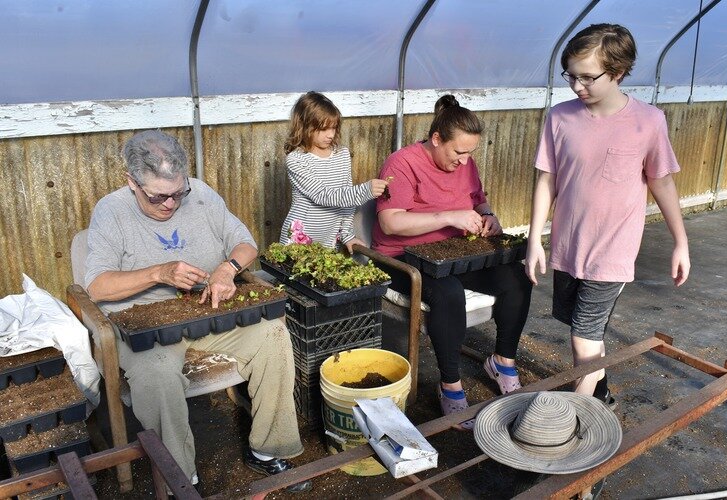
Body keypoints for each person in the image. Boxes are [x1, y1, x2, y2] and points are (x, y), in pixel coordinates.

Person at [85, 130, 311, 492]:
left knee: (273, 334)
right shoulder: (111, 212)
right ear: (131, 182)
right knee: (157, 373)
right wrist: (159, 273)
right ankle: (180, 477)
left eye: (178, 193)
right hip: (144, 327)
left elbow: (245, 243)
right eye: (158, 196)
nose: (171, 204)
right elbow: (96, 286)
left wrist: (228, 269)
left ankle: (268, 450)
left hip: (208, 310)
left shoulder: (201, 194)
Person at [526, 24, 690, 406]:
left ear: (617, 72)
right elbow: (546, 180)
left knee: (584, 334)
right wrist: (535, 239)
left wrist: (681, 242)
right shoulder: (560, 118)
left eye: (588, 77)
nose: (577, 86)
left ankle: (572, 421)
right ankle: (600, 396)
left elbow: (662, 183)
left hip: (612, 249)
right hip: (568, 245)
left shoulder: (647, 121)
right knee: (580, 331)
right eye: (571, 75)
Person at [372, 95, 533, 430]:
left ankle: (502, 362)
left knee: (516, 276)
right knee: (448, 292)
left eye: (470, 152)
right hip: (402, 259)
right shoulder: (401, 163)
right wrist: (450, 216)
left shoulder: (465, 164)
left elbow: (479, 200)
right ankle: (451, 387)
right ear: (436, 140)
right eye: (458, 152)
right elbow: (390, 223)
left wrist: (488, 217)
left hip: (454, 252)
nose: (464, 161)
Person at [280, 91, 388, 252]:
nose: (330, 134)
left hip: (329, 241)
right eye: (323, 129)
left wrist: (347, 235)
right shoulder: (296, 160)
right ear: (304, 126)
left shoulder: (342, 154)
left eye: (333, 128)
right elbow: (323, 195)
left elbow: (346, 198)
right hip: (298, 241)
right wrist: (365, 190)